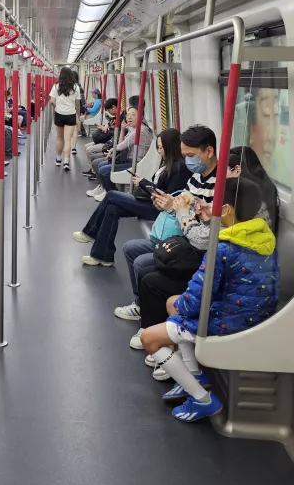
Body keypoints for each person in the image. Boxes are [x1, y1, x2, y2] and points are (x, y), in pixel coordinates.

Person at [139, 176, 279, 422]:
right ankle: (194, 373)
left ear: (225, 209)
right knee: (173, 302)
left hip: (231, 322)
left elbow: (194, 302)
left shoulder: (222, 248)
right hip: (255, 313)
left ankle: (202, 399)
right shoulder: (263, 237)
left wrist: (182, 306)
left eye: (215, 204)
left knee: (149, 337)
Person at [122, 124, 220, 352]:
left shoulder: (220, 185)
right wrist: (169, 206)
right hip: (186, 238)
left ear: (209, 151)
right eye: (184, 155)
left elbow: (200, 231)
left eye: (191, 156)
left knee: (145, 267)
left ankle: (153, 330)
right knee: (130, 249)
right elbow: (184, 208)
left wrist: (180, 210)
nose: (187, 161)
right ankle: (143, 311)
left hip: (197, 247)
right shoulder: (196, 177)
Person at [76, 128, 190, 269]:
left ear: (170, 147)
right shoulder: (168, 163)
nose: (159, 151)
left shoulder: (180, 167)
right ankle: (103, 256)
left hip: (158, 209)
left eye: (161, 147)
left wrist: (143, 183)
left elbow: (169, 197)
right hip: (152, 202)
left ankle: (90, 232)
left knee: (111, 195)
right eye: (158, 147)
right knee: (112, 208)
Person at [87, 107, 152, 200]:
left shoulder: (140, 131)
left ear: (141, 117)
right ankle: (108, 191)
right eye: (128, 115)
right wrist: (122, 130)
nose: (129, 117)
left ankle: (112, 194)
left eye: (133, 115)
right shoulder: (133, 129)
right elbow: (122, 143)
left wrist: (112, 150)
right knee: (100, 165)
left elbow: (122, 145)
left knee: (103, 170)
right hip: (129, 160)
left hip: (135, 163)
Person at [228, 145, 279, 231]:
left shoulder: (247, 200)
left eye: (224, 169)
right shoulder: (263, 191)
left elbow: (232, 231)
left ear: (237, 170)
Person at [49, 68, 80, 170]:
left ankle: (58, 159)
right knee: (68, 139)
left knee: (59, 138)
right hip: (71, 115)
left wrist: (57, 107)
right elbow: (77, 103)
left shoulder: (56, 86)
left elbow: (52, 101)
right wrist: (78, 115)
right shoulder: (76, 87)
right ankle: (66, 161)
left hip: (59, 114)